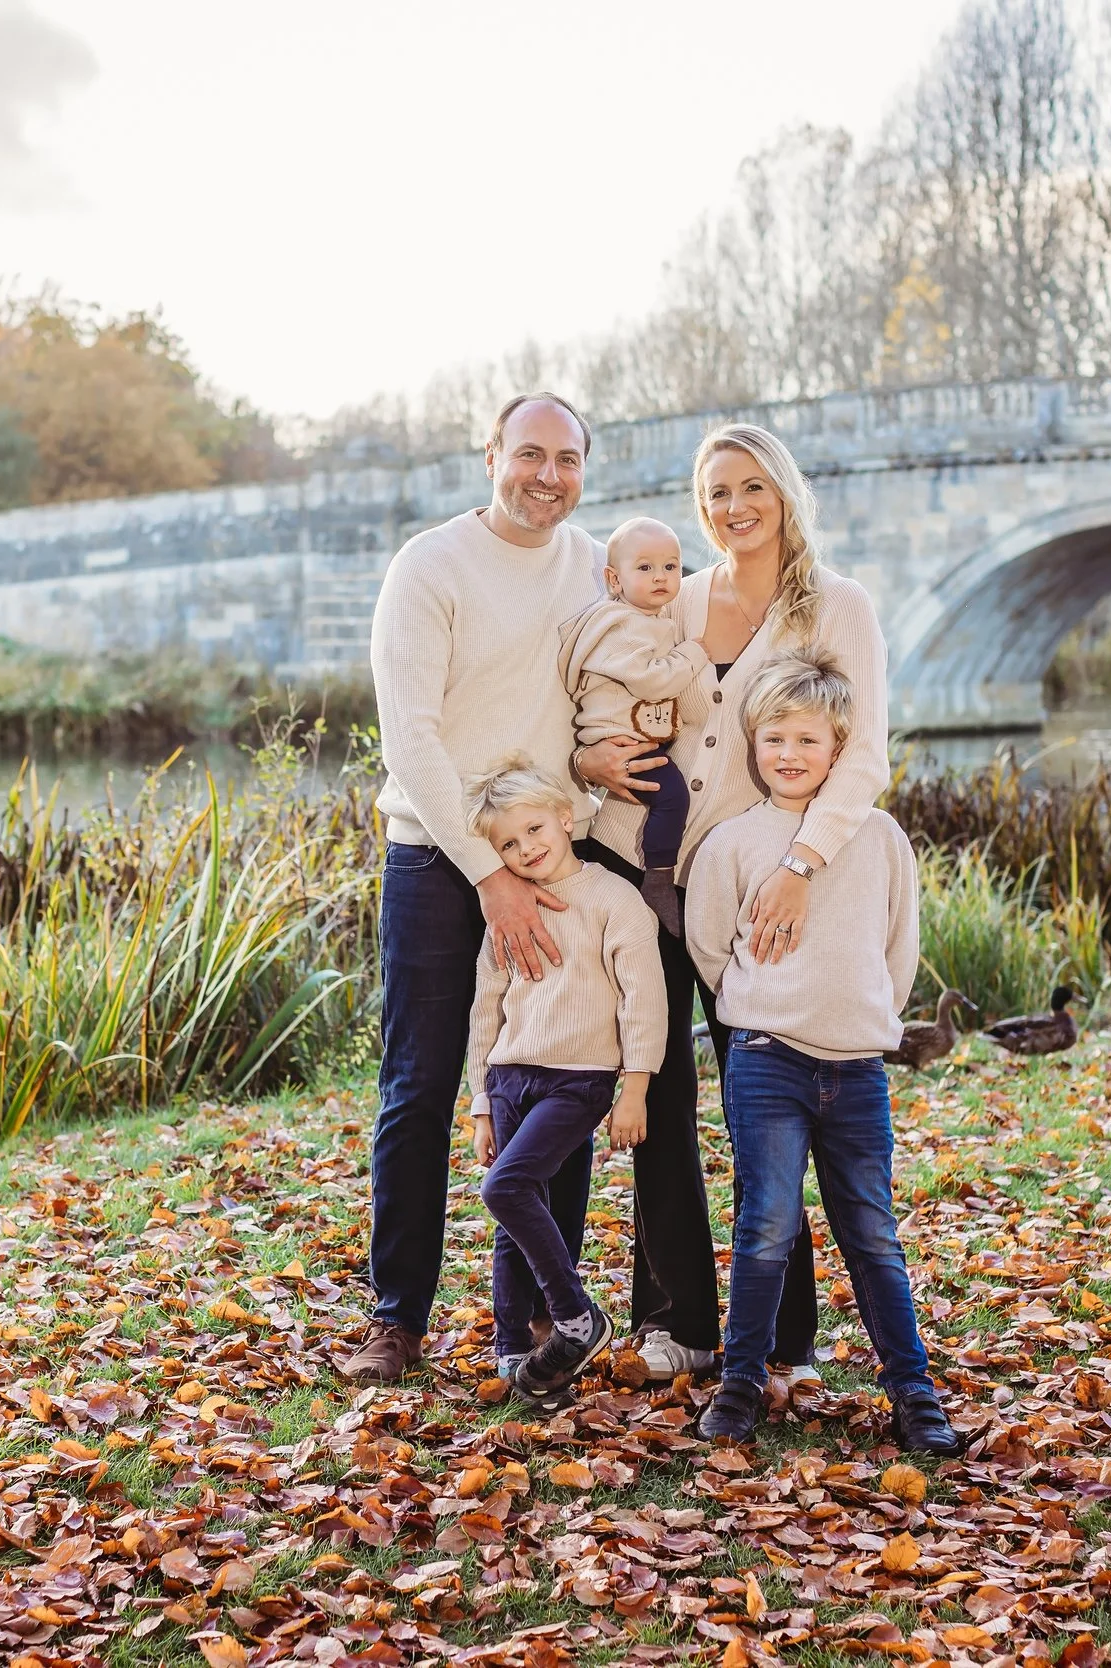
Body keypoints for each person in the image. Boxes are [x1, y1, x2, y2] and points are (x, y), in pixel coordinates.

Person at [572, 423, 892, 1388]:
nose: (733, 507)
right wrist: (588, 763)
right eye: (716, 492)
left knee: (765, 1097)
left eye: (752, 486)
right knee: (656, 1090)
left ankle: (784, 1337)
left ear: (785, 491)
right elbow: (613, 693)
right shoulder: (678, 595)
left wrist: (800, 865)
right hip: (638, 863)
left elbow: (864, 753)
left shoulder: (836, 609)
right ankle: (677, 1320)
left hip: (758, 885)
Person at [341, 392, 607, 1384]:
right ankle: (396, 1316)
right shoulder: (430, 567)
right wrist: (486, 870)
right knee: (418, 1087)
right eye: (529, 454)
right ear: (490, 454)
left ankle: (540, 1314)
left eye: (567, 459)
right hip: (435, 858)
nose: (548, 475)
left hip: (552, 858)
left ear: (585, 468)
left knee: (555, 1079)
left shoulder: (593, 564)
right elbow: (409, 738)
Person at [683, 652, 958, 1454]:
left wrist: (862, 1011)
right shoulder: (734, 843)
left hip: (857, 1068)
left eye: (809, 739)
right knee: (766, 1224)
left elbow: (898, 949)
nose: (791, 754)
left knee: (872, 1230)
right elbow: (708, 948)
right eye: (775, 739)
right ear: (752, 745)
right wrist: (761, 1002)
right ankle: (741, 1383)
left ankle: (913, 1392)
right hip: (767, 1061)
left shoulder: (877, 837)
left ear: (840, 749)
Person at [459, 759, 663, 1396]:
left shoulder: (613, 900)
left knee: (506, 1187)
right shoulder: (506, 911)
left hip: (580, 1079)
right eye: (509, 845)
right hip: (511, 1074)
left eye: (535, 830)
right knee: (518, 1211)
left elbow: (643, 997)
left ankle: (577, 1318)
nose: (527, 849)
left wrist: (635, 1088)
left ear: (566, 818)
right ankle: (513, 1344)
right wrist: (482, 1102)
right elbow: (485, 1005)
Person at [555, 516, 710, 936]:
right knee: (673, 796)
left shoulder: (651, 617)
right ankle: (659, 878)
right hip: (618, 738)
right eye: (645, 568)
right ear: (614, 579)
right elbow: (653, 678)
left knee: (666, 795)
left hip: (631, 732)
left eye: (671, 566)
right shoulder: (620, 625)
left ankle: (657, 871)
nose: (660, 577)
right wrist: (694, 654)